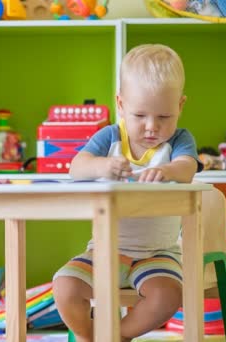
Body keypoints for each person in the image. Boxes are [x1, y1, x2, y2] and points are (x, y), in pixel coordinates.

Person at [52, 44, 203, 342]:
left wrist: (168, 171)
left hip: (158, 253)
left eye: (164, 117)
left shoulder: (179, 142)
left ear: (180, 106)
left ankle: (117, 336)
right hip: (104, 249)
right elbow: (76, 167)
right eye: (140, 115)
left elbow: (187, 168)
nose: (151, 127)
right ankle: (89, 336)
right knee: (64, 287)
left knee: (168, 296)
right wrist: (102, 166)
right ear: (120, 105)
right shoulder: (109, 137)